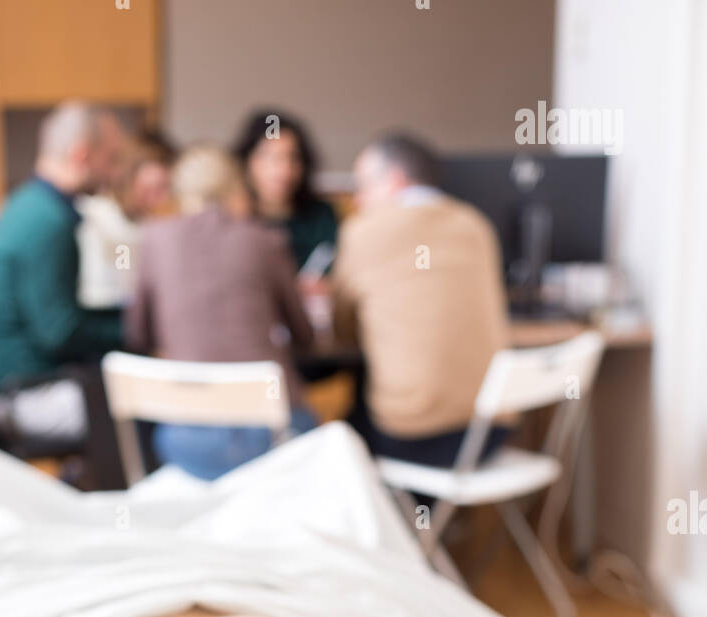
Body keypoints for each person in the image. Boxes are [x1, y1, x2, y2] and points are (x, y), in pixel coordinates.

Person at [127, 144, 317, 479]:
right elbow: (304, 335)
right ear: (236, 190)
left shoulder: (154, 240)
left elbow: (138, 335)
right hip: (271, 436)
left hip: (185, 438)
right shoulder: (266, 240)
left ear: (180, 193)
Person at [333, 132, 510, 468]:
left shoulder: (363, 231)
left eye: (364, 186)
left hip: (415, 436)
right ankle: (426, 518)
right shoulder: (475, 224)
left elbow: (343, 327)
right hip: (489, 431)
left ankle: (398, 519)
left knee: (341, 434)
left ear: (395, 180)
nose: (357, 199)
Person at [0, 102, 128, 447]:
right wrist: (133, 330)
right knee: (150, 413)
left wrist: (123, 318)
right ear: (82, 155)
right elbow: (59, 333)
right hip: (29, 396)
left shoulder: (27, 204)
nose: (116, 173)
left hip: (15, 385)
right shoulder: (49, 223)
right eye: (112, 159)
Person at [76, 129, 176, 310]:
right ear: (129, 176)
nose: (162, 199)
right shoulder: (96, 217)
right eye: (153, 190)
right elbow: (119, 281)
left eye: (165, 189)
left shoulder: (149, 222)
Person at [233, 111, 338, 277]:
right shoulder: (234, 219)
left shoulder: (321, 216)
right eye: (271, 157)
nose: (283, 170)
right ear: (247, 161)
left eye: (292, 158)